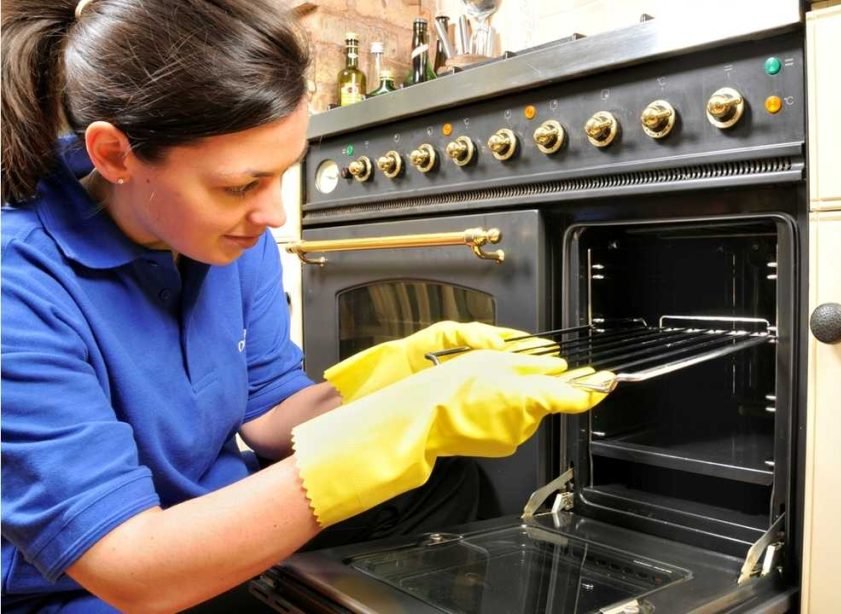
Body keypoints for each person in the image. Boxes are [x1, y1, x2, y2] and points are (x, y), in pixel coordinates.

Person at [0, 0, 609, 611]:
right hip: (102, 585)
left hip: (210, 513)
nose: (274, 216)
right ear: (113, 156)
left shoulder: (230, 240)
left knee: (442, 481)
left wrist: (402, 381)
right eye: (240, 185)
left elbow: (267, 414)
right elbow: (131, 568)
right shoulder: (19, 283)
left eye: (281, 174)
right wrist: (383, 439)